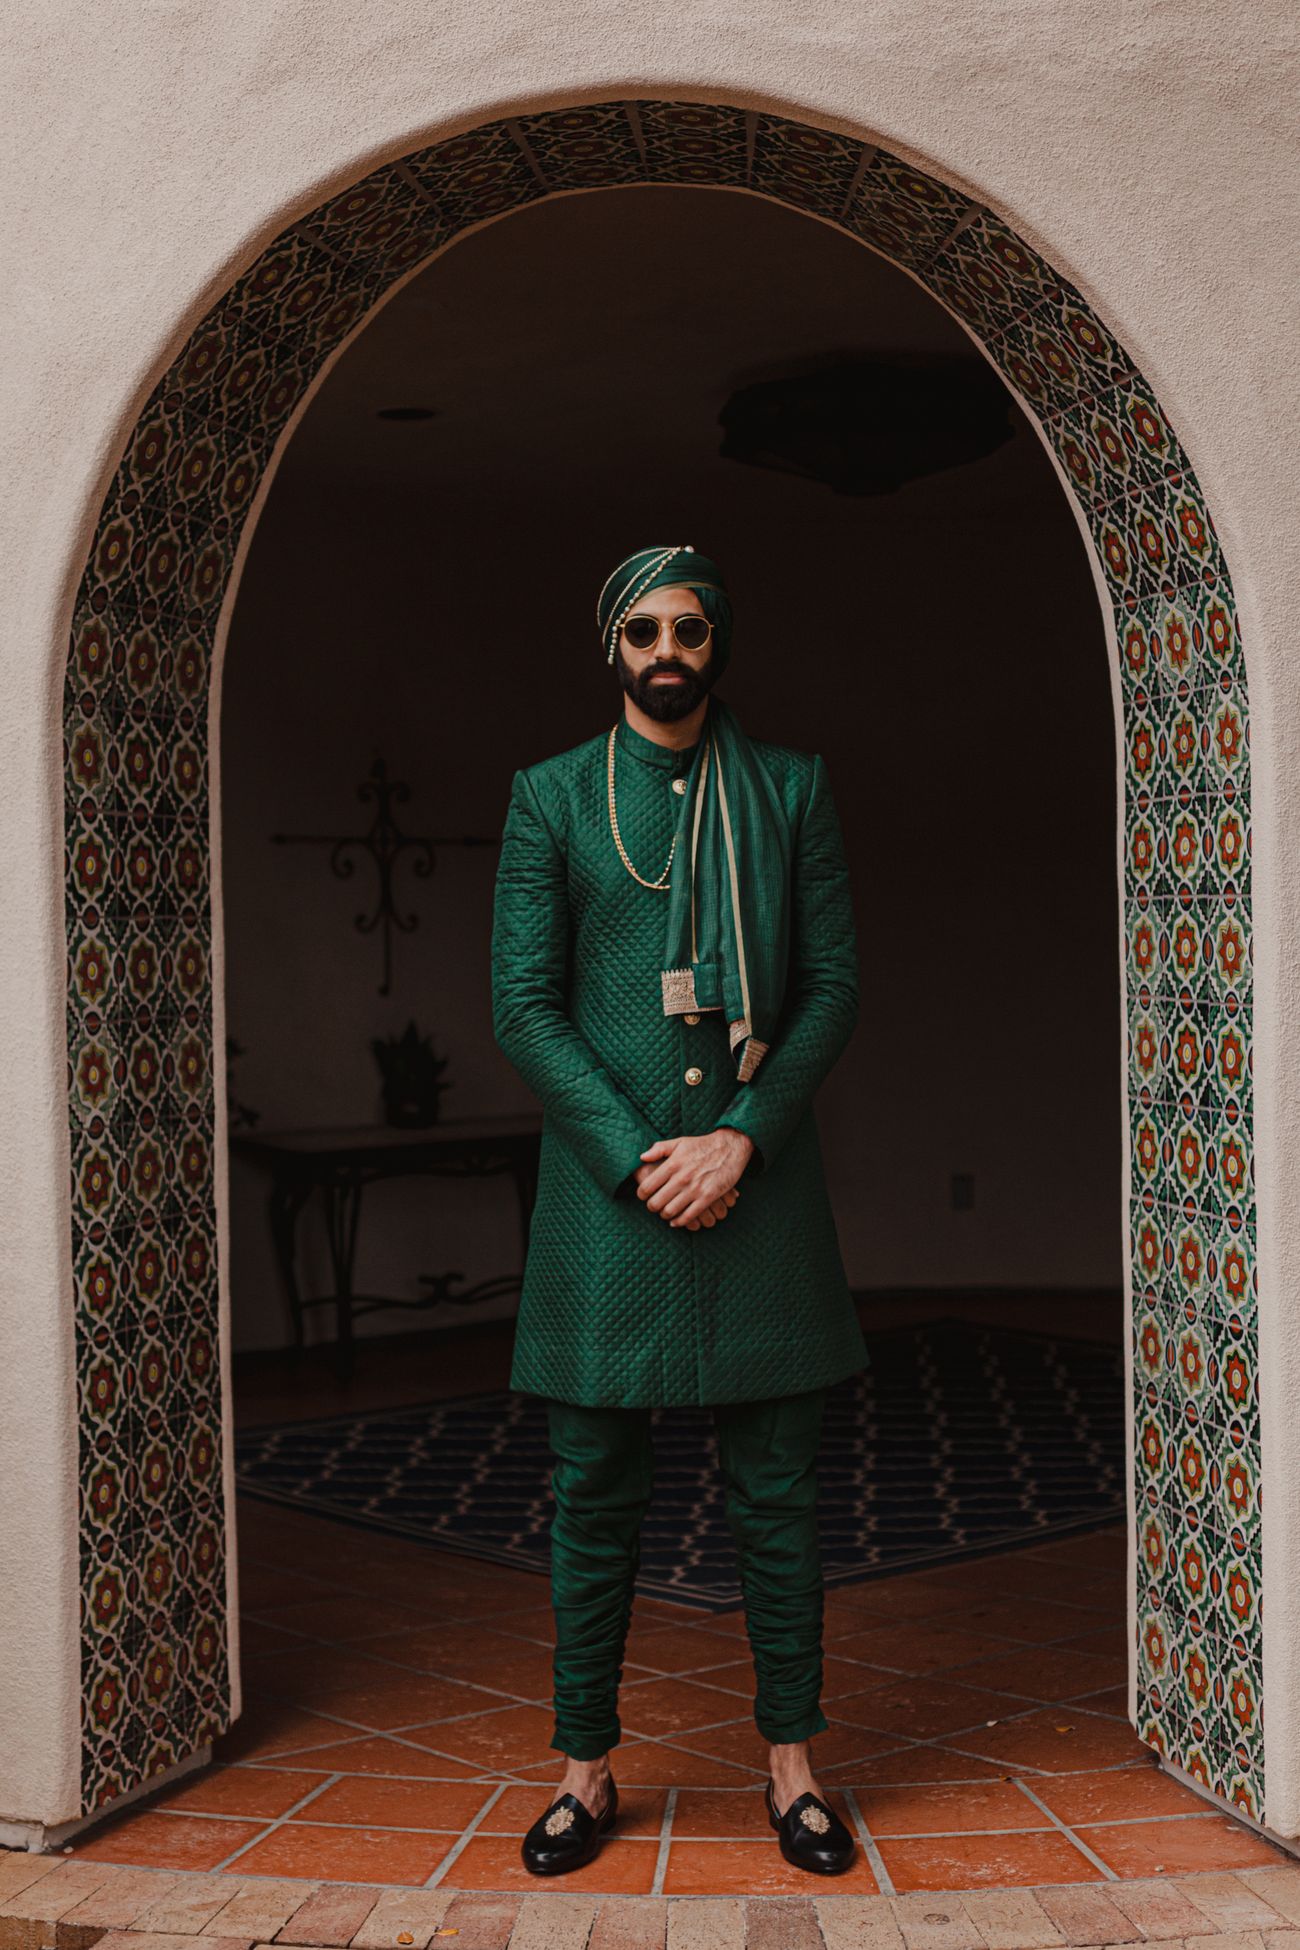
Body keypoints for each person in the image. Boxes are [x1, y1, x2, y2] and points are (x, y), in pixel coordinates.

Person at [490, 544, 867, 1878]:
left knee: (778, 1491)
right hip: (613, 1204)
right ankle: (584, 1769)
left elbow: (829, 989)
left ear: (718, 642)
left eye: (691, 628)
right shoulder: (550, 799)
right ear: (613, 644)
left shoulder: (789, 788)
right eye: (645, 628)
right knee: (594, 1490)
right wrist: (642, 1153)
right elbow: (522, 1005)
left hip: (758, 1191)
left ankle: (794, 1769)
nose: (669, 648)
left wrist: (741, 1141)